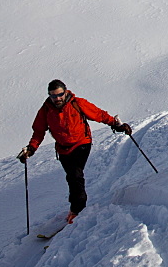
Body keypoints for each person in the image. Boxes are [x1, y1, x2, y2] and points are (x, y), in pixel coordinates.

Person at [17, 79, 132, 223]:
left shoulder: (77, 103)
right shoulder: (46, 110)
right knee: (72, 177)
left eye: (59, 95)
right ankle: (75, 208)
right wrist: (31, 148)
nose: (57, 98)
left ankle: (78, 209)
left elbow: (98, 114)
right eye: (53, 96)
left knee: (75, 175)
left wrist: (116, 124)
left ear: (65, 92)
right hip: (63, 149)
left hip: (82, 143)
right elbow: (39, 131)